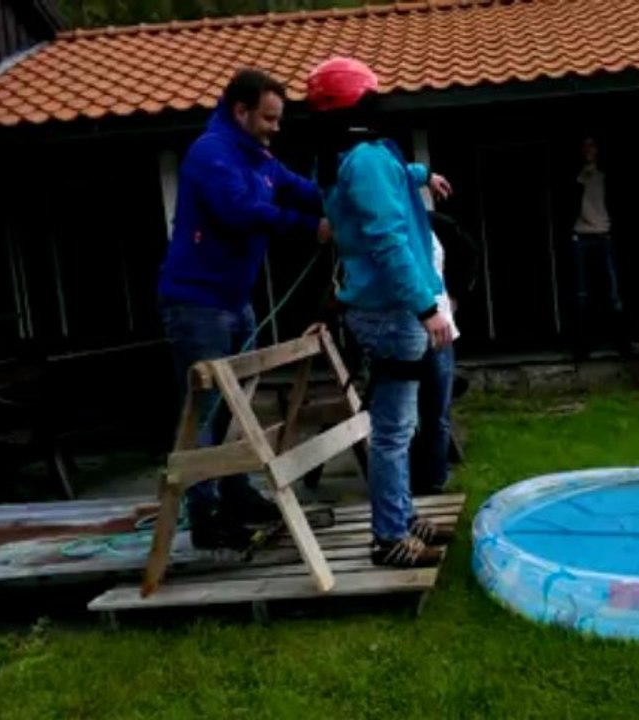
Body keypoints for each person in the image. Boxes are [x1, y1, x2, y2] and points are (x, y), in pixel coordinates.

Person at [156, 67, 332, 551]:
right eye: (270, 117)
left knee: (238, 408)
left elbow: (300, 187)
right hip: (197, 305)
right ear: (241, 111)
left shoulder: (259, 157)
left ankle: (237, 495)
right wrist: (309, 228)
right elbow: (238, 212)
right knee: (204, 412)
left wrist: (344, 197)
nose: (278, 127)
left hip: (236, 302)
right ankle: (206, 515)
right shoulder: (212, 154)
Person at [305, 56, 456, 568]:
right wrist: (427, 307)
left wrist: (424, 175)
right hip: (393, 311)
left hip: (382, 310)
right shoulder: (365, 159)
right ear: (359, 103)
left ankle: (401, 513)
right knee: (393, 430)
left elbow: (393, 174)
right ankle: (388, 537)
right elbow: (389, 240)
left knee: (401, 423)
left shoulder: (349, 156)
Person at [409, 230, 459, 497]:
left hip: (439, 327)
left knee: (437, 411)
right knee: (405, 414)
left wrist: (457, 294)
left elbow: (466, 249)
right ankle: (409, 483)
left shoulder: (430, 225)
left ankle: (434, 481)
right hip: (406, 328)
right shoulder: (388, 222)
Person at [570, 134, 625, 359]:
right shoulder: (576, 177)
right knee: (582, 294)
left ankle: (621, 342)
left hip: (605, 236)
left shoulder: (606, 176)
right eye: (584, 146)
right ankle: (583, 346)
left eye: (592, 146)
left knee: (613, 293)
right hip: (581, 237)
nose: (588, 150)